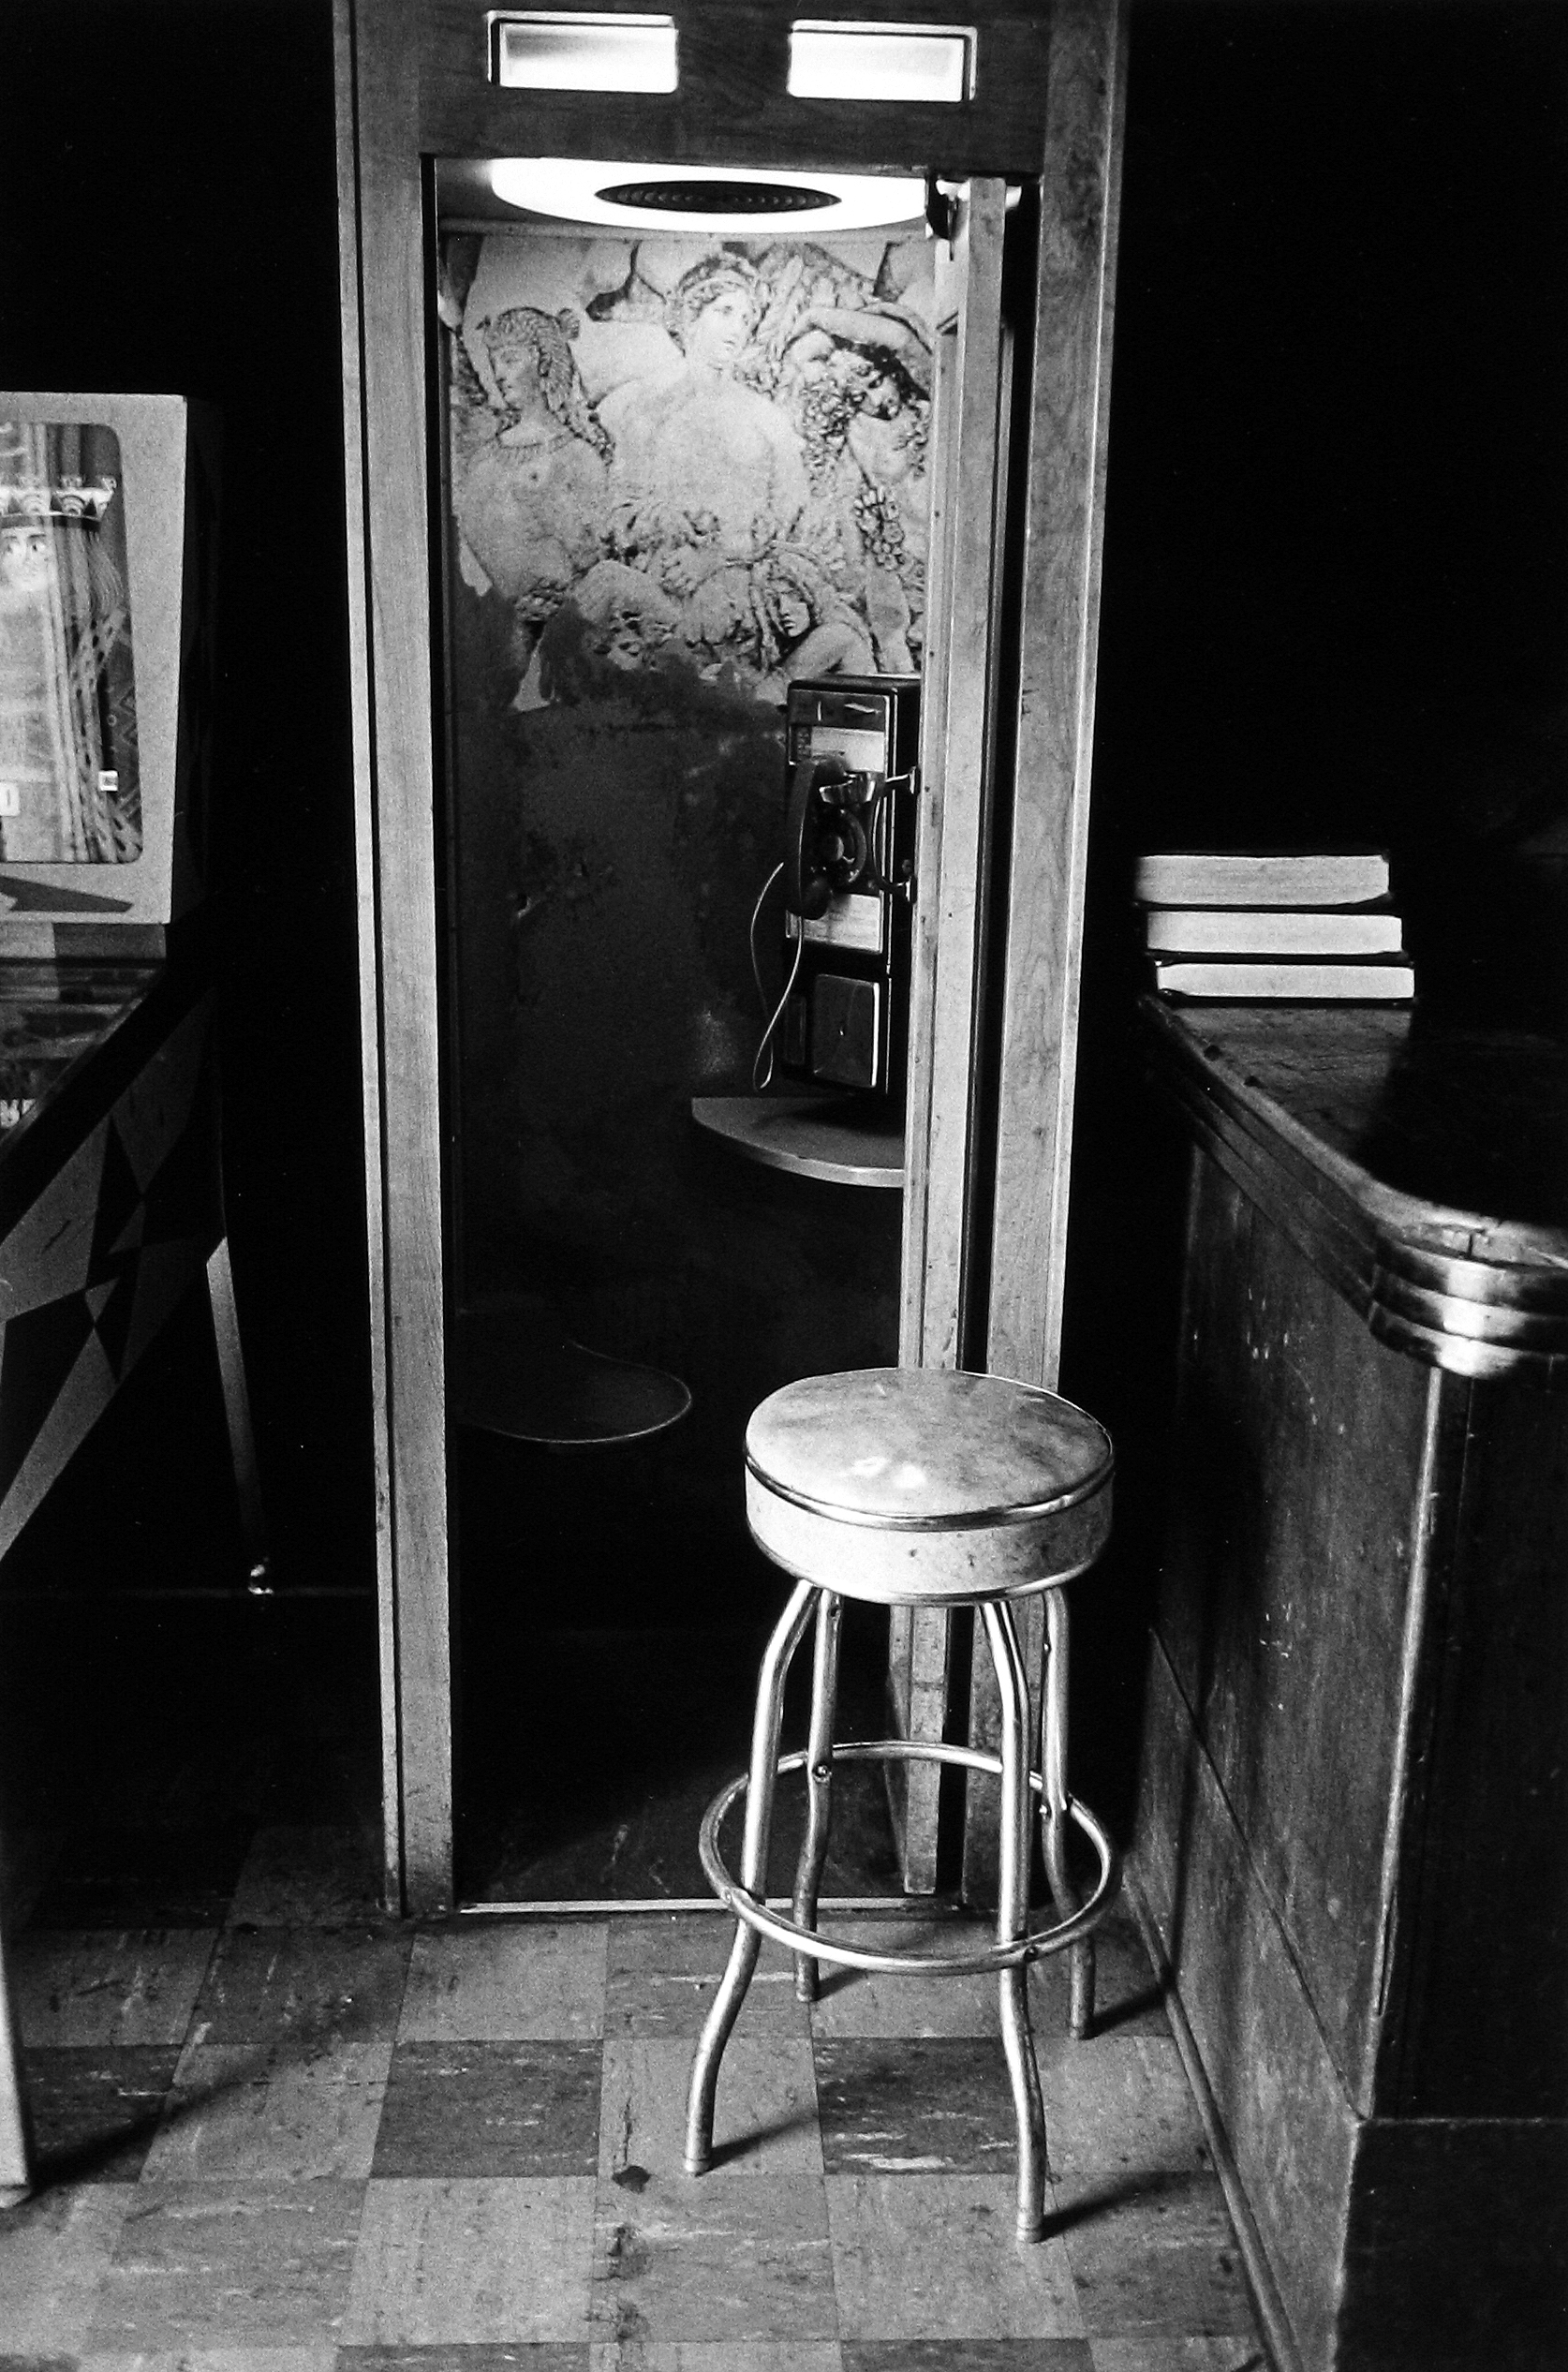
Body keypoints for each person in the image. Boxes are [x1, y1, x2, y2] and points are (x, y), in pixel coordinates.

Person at [452, 305, 614, 683]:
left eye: (511, 359)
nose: (500, 374)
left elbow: (594, 553)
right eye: (495, 362)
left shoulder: (578, 455)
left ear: (543, 361)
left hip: (563, 635)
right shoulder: (483, 459)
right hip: (493, 626)